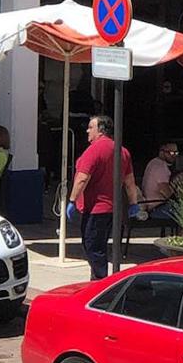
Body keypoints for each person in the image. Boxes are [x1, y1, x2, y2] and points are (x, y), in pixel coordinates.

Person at [67, 115, 140, 280]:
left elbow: (82, 178)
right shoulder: (122, 151)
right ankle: (98, 277)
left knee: (92, 246)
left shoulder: (93, 150)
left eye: (90, 127)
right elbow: (130, 182)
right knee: (100, 245)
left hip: (95, 208)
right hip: (112, 209)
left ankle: (99, 280)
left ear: (100, 131)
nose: (87, 131)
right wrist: (133, 203)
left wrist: (72, 200)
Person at [141, 142, 180, 220]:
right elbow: (165, 192)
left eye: (176, 153)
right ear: (161, 152)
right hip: (158, 208)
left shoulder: (153, 162)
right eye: (170, 153)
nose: (173, 156)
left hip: (150, 206)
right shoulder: (161, 167)